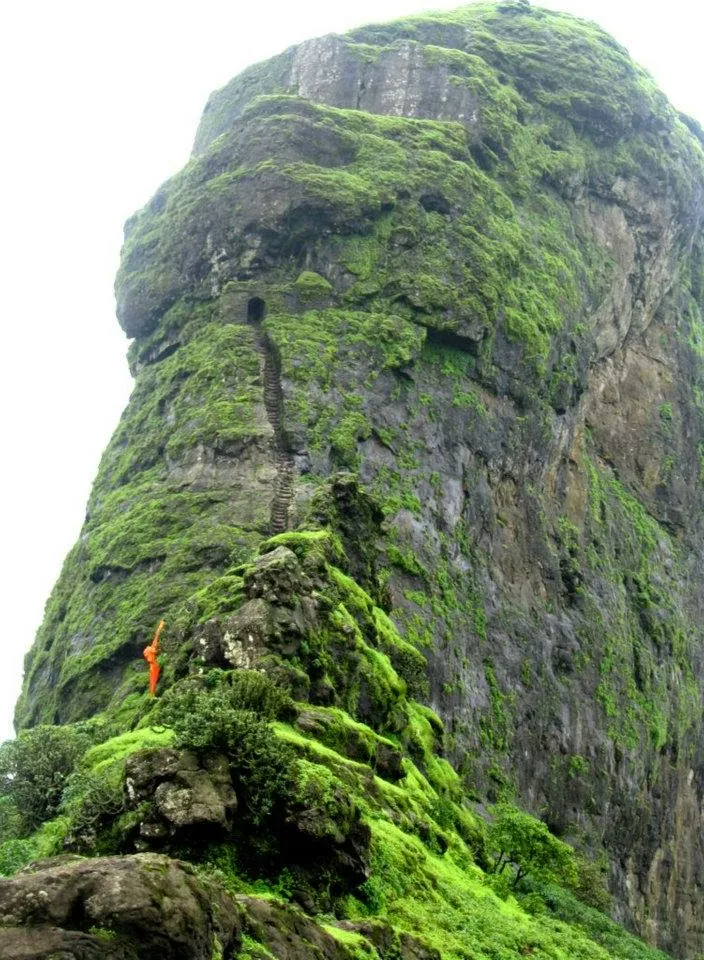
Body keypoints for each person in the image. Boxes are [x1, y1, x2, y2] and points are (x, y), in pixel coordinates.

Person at [143, 619, 165, 695]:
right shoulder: (150, 650)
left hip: (154, 665)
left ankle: (152, 693)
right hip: (154, 665)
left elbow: (157, 634)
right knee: (153, 679)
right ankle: (152, 693)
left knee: (152, 679)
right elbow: (155, 651)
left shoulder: (151, 646)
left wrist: (162, 624)